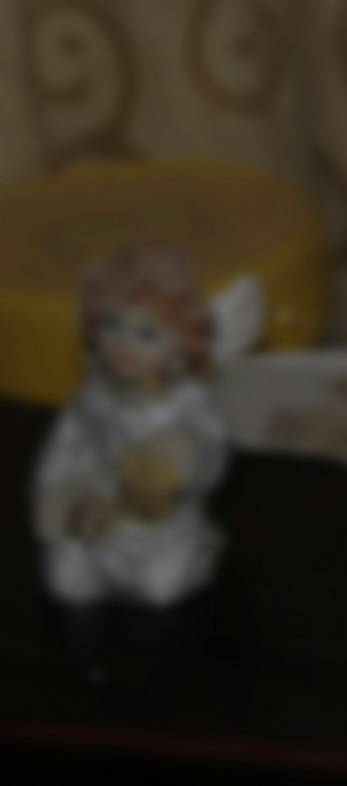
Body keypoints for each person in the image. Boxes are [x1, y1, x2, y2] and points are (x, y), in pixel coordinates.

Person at [31, 244, 229, 607]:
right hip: (100, 510)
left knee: (160, 593)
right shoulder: (94, 394)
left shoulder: (186, 401)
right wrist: (63, 492)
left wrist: (182, 460)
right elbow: (67, 444)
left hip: (159, 520)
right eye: (112, 323)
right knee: (68, 586)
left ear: (179, 345)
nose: (123, 343)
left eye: (147, 334)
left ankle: (198, 551)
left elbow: (209, 451)